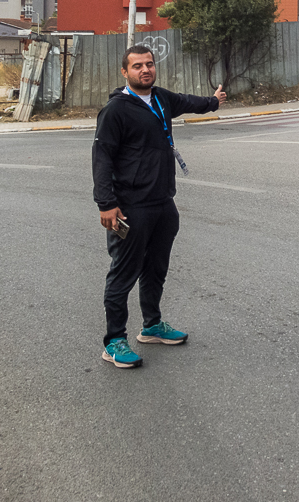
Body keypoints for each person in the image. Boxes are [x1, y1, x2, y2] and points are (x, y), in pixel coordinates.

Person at [92, 45, 227, 369]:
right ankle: (113, 342)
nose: (145, 70)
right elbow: (101, 157)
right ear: (125, 72)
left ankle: (151, 325)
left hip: (163, 203)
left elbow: (186, 101)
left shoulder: (161, 98)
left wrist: (213, 102)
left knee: (156, 268)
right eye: (137, 66)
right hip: (130, 207)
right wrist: (106, 203)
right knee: (123, 274)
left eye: (149, 64)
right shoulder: (116, 110)